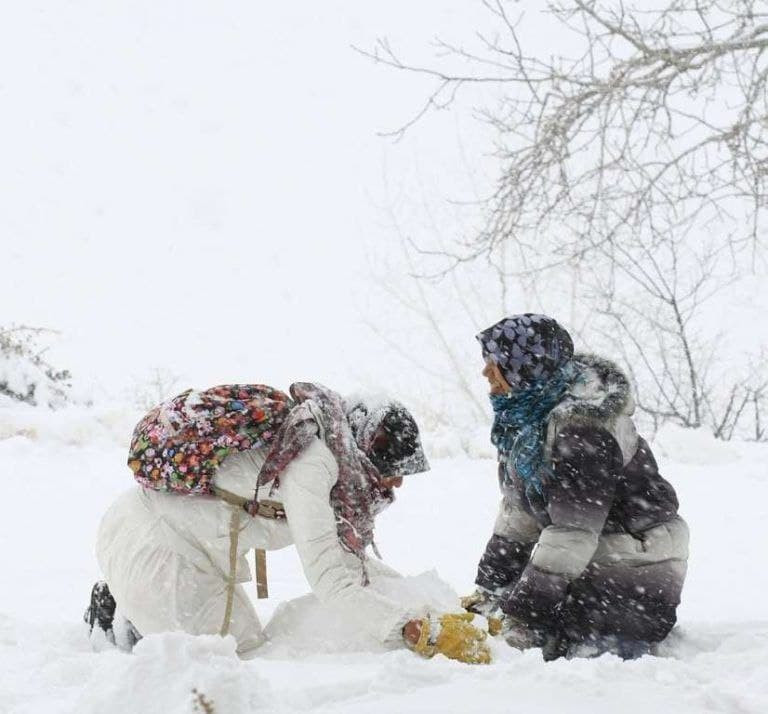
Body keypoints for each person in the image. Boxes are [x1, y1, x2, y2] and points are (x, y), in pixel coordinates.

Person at [87, 381, 491, 663]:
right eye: (395, 469)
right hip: (156, 546)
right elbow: (330, 580)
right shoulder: (314, 462)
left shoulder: (333, 453)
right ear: (369, 449)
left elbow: (350, 561)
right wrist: (414, 630)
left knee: (243, 641)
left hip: (186, 547)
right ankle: (119, 619)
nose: (398, 483)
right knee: (225, 657)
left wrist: (427, 603)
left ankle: (136, 605)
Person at [462, 314, 689, 660]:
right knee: (514, 616)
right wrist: (491, 588)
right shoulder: (529, 426)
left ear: (527, 368)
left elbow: (573, 532)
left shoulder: (581, 430)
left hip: (636, 568)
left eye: (496, 363)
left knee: (556, 644)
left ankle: (605, 637)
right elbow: (518, 513)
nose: (485, 372)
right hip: (595, 554)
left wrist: (522, 615)